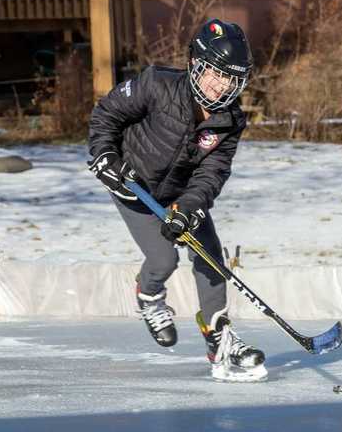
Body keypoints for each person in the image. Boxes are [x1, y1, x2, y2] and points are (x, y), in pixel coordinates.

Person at [88, 19, 267, 382]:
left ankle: (220, 338)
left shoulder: (229, 121)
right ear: (195, 66)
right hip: (131, 185)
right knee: (163, 257)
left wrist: (187, 209)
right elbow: (107, 114)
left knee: (210, 257)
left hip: (180, 196)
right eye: (214, 74)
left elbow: (212, 172)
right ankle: (149, 295)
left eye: (230, 79)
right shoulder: (156, 85)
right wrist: (105, 157)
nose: (220, 87)